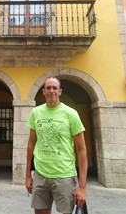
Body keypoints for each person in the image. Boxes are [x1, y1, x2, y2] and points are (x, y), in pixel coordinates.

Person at [25, 77, 87, 214]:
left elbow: (82, 150)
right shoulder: (36, 112)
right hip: (40, 175)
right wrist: (28, 176)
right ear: (43, 92)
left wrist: (82, 187)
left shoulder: (71, 114)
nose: (51, 91)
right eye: (48, 88)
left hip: (64, 176)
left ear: (60, 92)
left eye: (54, 88)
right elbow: (30, 145)